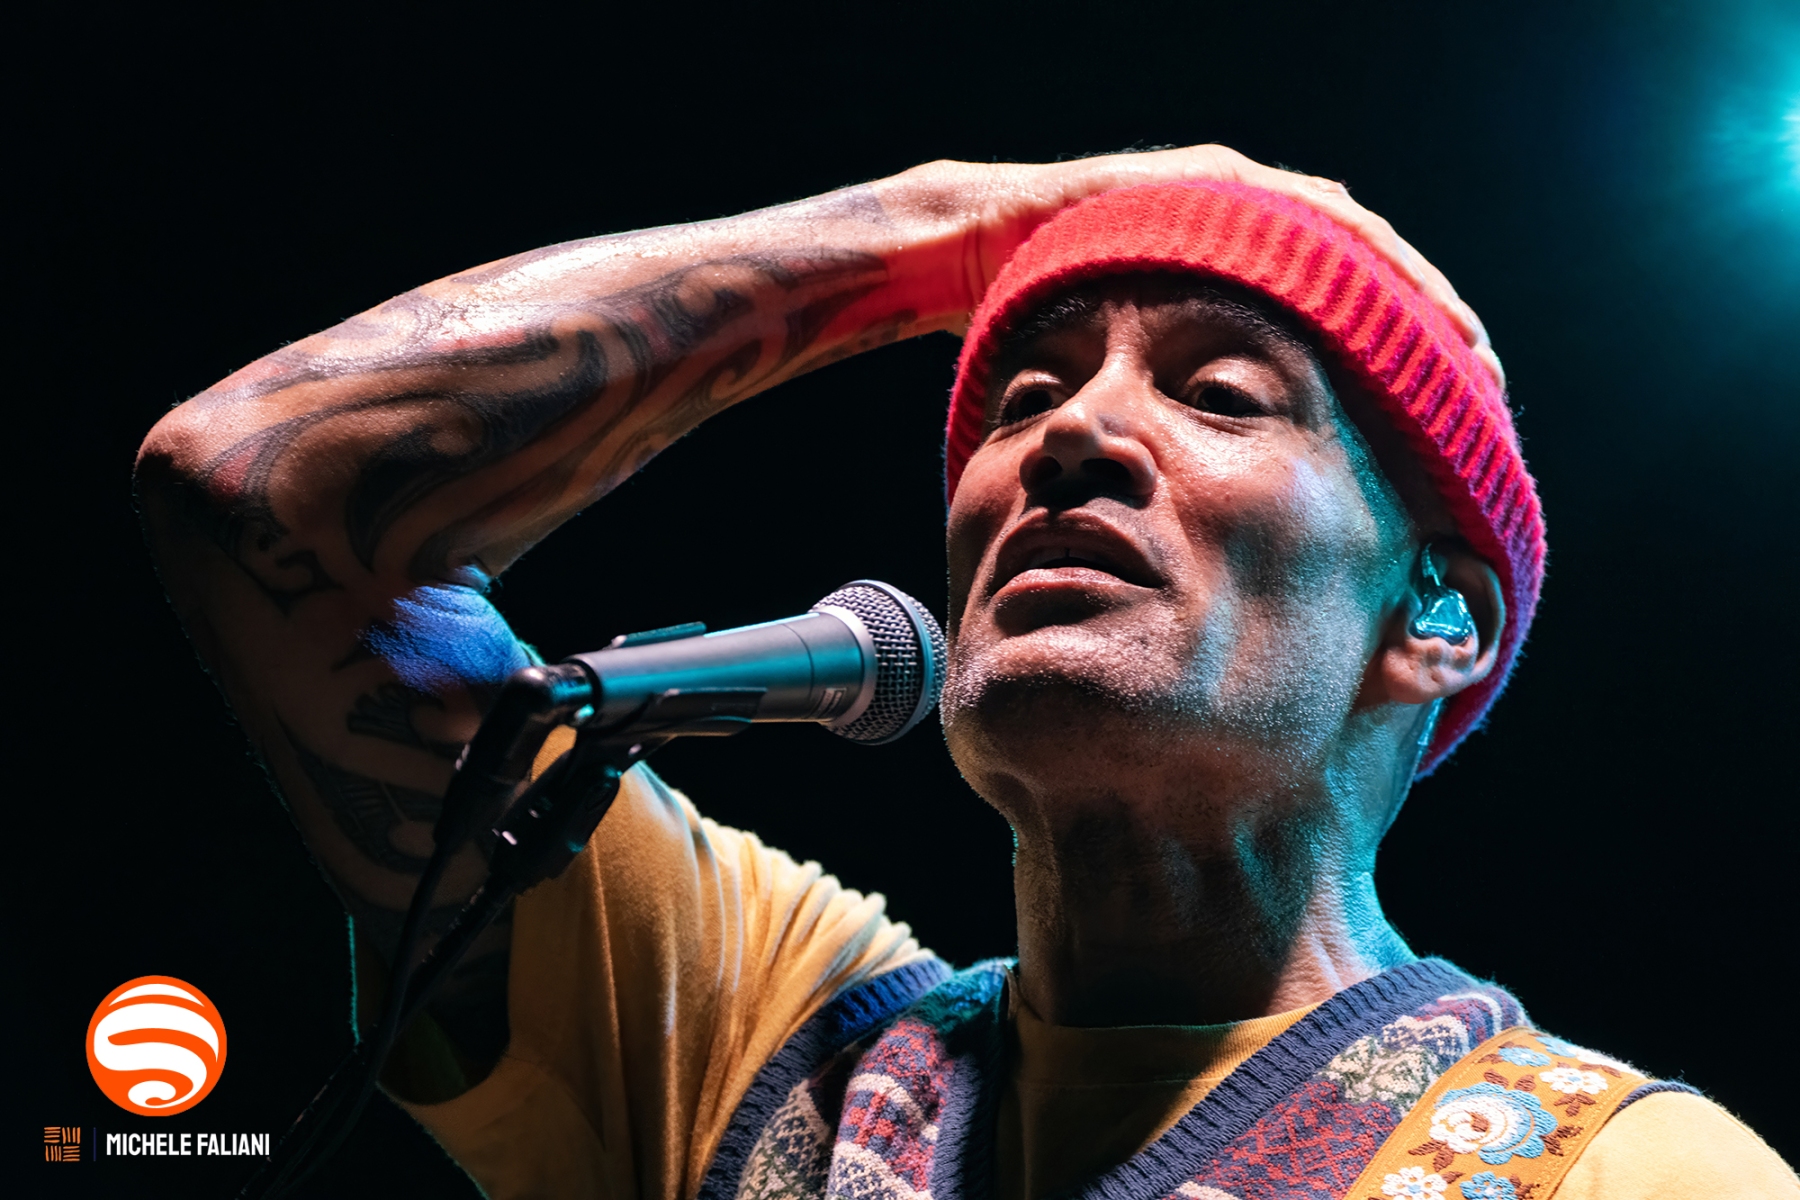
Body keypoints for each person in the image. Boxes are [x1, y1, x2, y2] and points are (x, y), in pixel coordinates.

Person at [136, 146, 1795, 1200]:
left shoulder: (1632, 1174)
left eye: (1221, 394)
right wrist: (945, 229)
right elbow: (258, 483)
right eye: (1023, 399)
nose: (1073, 434)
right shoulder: (758, 1041)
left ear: (1439, 619)